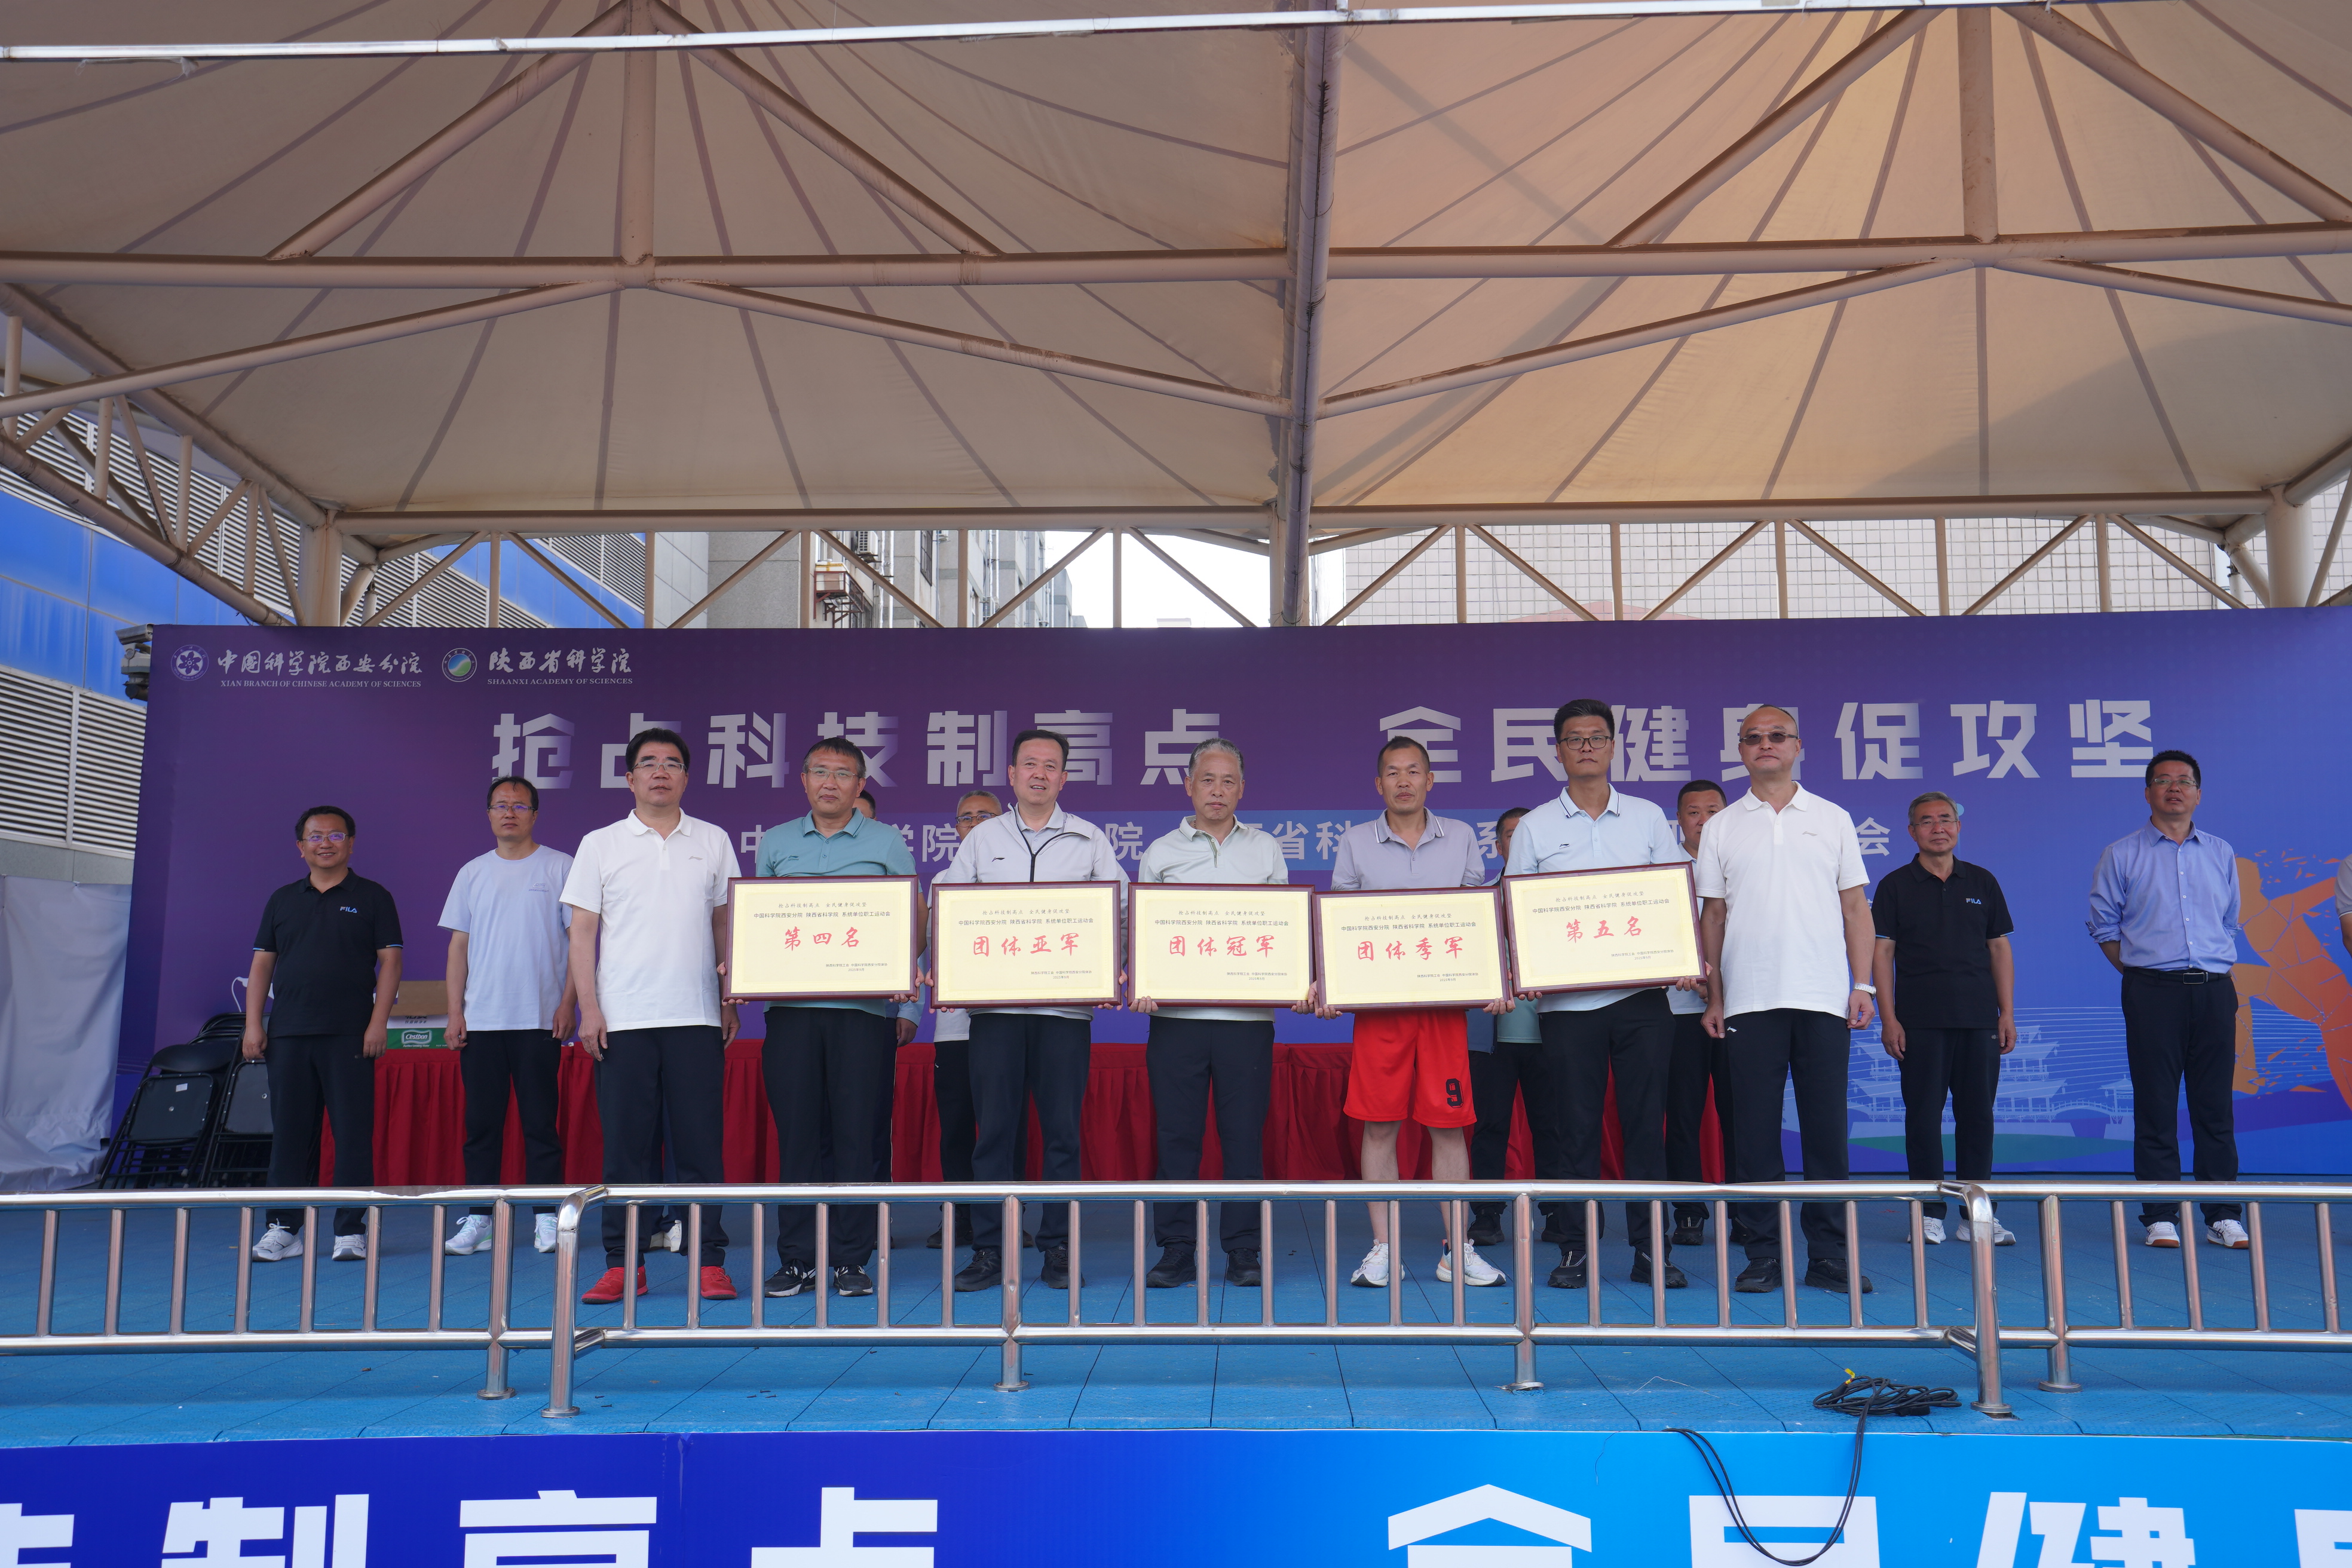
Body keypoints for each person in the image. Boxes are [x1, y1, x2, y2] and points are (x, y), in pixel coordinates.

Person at [1505, 700, 1695, 1291]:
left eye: (1596, 737)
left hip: (1643, 1000)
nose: (1586, 747)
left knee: (1646, 1129)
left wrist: (1683, 957)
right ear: (1558, 751)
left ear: (1613, 746)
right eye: (1574, 739)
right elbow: (1514, 909)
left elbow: (1675, 897)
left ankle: (1652, 1250)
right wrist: (1525, 967)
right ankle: (1575, 1248)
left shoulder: (1647, 818)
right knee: (1574, 1130)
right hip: (1567, 1007)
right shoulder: (1537, 826)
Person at [931, 729, 1128, 1293]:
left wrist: (1110, 968)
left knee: (1062, 1132)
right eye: (1029, 764)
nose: (1039, 774)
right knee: (994, 1132)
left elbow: (1118, 912)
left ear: (1064, 778)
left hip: (1064, 1014)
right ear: (1012, 775)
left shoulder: (1089, 840)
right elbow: (950, 912)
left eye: (1051, 766)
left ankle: (1059, 1246)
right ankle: (990, 1249)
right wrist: (950, 970)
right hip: (994, 1012)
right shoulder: (982, 838)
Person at [1696, 706, 1876, 1296]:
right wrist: (1715, 995)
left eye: (1777, 736)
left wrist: (1863, 984)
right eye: (1754, 738)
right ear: (1741, 751)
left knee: (1827, 1132)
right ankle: (1763, 1254)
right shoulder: (1722, 825)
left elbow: (1856, 907)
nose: (1766, 745)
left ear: (1798, 746)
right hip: (1748, 998)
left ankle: (1829, 1254)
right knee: (1753, 1135)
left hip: (1823, 996)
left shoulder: (1832, 817)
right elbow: (1713, 915)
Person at [563, 727, 742, 1304]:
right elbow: (582, 932)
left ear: (687, 777)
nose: (660, 772)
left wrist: (728, 996)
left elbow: (725, 923)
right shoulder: (600, 843)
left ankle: (708, 1260)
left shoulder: (712, 839)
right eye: (648, 763)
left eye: (671, 763)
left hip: (696, 1014)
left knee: (700, 1147)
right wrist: (590, 1008)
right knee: (626, 1150)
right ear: (630, 777)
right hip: (623, 1019)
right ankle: (624, 1264)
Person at [1327, 735, 1506, 1291]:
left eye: (1413, 771)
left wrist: (1495, 978)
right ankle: (1383, 1248)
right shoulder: (1355, 842)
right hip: (1381, 1011)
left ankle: (1458, 1249)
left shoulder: (1462, 839)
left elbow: (1478, 920)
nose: (1403, 781)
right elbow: (1339, 925)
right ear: (1378, 784)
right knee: (1379, 1126)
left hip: (1443, 1011)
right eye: (1392, 772)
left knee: (1449, 1129)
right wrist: (1331, 983)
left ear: (1430, 780)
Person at [747, 737, 917, 1300]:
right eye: (819, 771)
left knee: (857, 1137)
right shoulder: (775, 843)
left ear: (860, 785)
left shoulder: (886, 842)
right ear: (803, 780)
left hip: (862, 1013)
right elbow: (760, 924)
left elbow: (911, 923)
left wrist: (903, 983)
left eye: (843, 774)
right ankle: (796, 1258)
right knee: (798, 1137)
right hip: (791, 1013)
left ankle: (850, 1259)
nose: (830, 782)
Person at [1135, 738, 1291, 1290]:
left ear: (1242, 789)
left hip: (1247, 1022)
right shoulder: (1160, 852)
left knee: (1243, 1139)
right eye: (1207, 779)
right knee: (1177, 1138)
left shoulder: (1266, 850)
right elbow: (1142, 932)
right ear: (1189, 786)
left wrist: (1293, 978)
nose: (1217, 790)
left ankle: (1243, 1249)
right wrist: (1142, 979)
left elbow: (1284, 931)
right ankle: (1177, 1248)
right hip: (1175, 1021)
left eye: (1228, 781)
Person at [2087, 749, 2247, 1249]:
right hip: (2152, 993)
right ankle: (2160, 1215)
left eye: (2184, 781)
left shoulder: (2220, 852)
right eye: (2163, 780)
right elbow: (2104, 925)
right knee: (2155, 1104)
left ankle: (2222, 1215)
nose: (2174, 788)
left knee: (2215, 1106)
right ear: (2148, 793)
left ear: (2198, 793)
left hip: (2215, 992)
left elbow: (2229, 921)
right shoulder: (2122, 853)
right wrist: (2145, 972)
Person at [242, 806, 403, 1263]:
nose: (325, 843)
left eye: (335, 835)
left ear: (351, 843)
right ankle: (283, 1229)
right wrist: (254, 1024)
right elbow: (262, 965)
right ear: (301, 847)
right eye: (315, 836)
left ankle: (350, 1231)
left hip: (351, 1034)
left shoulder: (373, 896)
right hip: (289, 1034)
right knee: (290, 1136)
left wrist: (377, 1023)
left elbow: (391, 962)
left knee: (352, 1135)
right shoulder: (282, 899)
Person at [441, 776, 577, 1258]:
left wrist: (569, 1003)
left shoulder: (561, 866)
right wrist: (454, 1013)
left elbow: (580, 943)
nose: (510, 813)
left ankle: (546, 1217)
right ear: (489, 814)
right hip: (482, 1021)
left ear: (535, 814)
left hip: (540, 1018)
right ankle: (480, 1218)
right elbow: (458, 948)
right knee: (482, 1126)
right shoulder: (473, 872)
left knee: (541, 1124)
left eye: (520, 806)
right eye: (501, 805)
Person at [1873, 791, 2017, 1246]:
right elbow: (1883, 954)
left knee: (1978, 1118)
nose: (1938, 828)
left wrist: (2007, 1013)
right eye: (1927, 821)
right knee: (1923, 1119)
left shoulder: (1982, 881)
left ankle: (1976, 1216)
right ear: (1911, 831)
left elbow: (1999, 948)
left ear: (1958, 826)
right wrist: (1889, 1019)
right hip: (1919, 1021)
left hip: (1978, 1019)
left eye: (1946, 820)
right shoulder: (1895, 885)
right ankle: (1927, 1214)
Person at [1467, 807, 1547, 1250]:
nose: (1521, 842)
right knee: (1490, 1128)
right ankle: (1486, 1215)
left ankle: (1561, 1214)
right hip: (1491, 1038)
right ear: (1498, 846)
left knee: (1555, 1128)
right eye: (1512, 835)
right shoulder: (1478, 902)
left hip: (1552, 1034)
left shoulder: (1560, 897)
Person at [926, 788, 1002, 1250]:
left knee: (1003, 1127)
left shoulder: (1015, 876)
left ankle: (1006, 1216)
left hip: (1007, 1022)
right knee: (956, 1127)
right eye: (966, 817)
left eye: (985, 816)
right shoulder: (941, 881)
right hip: (955, 1028)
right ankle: (957, 1217)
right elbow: (927, 950)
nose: (974, 824)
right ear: (955, 828)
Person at [1664, 779, 1731, 1248]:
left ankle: (1749, 1213)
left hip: (1741, 1007)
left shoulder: (1743, 864)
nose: (1704, 821)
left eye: (1713, 811)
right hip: (1679, 1009)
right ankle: (1688, 1212)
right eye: (1693, 812)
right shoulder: (1663, 871)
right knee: (1683, 1115)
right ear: (1680, 820)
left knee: (1742, 1114)